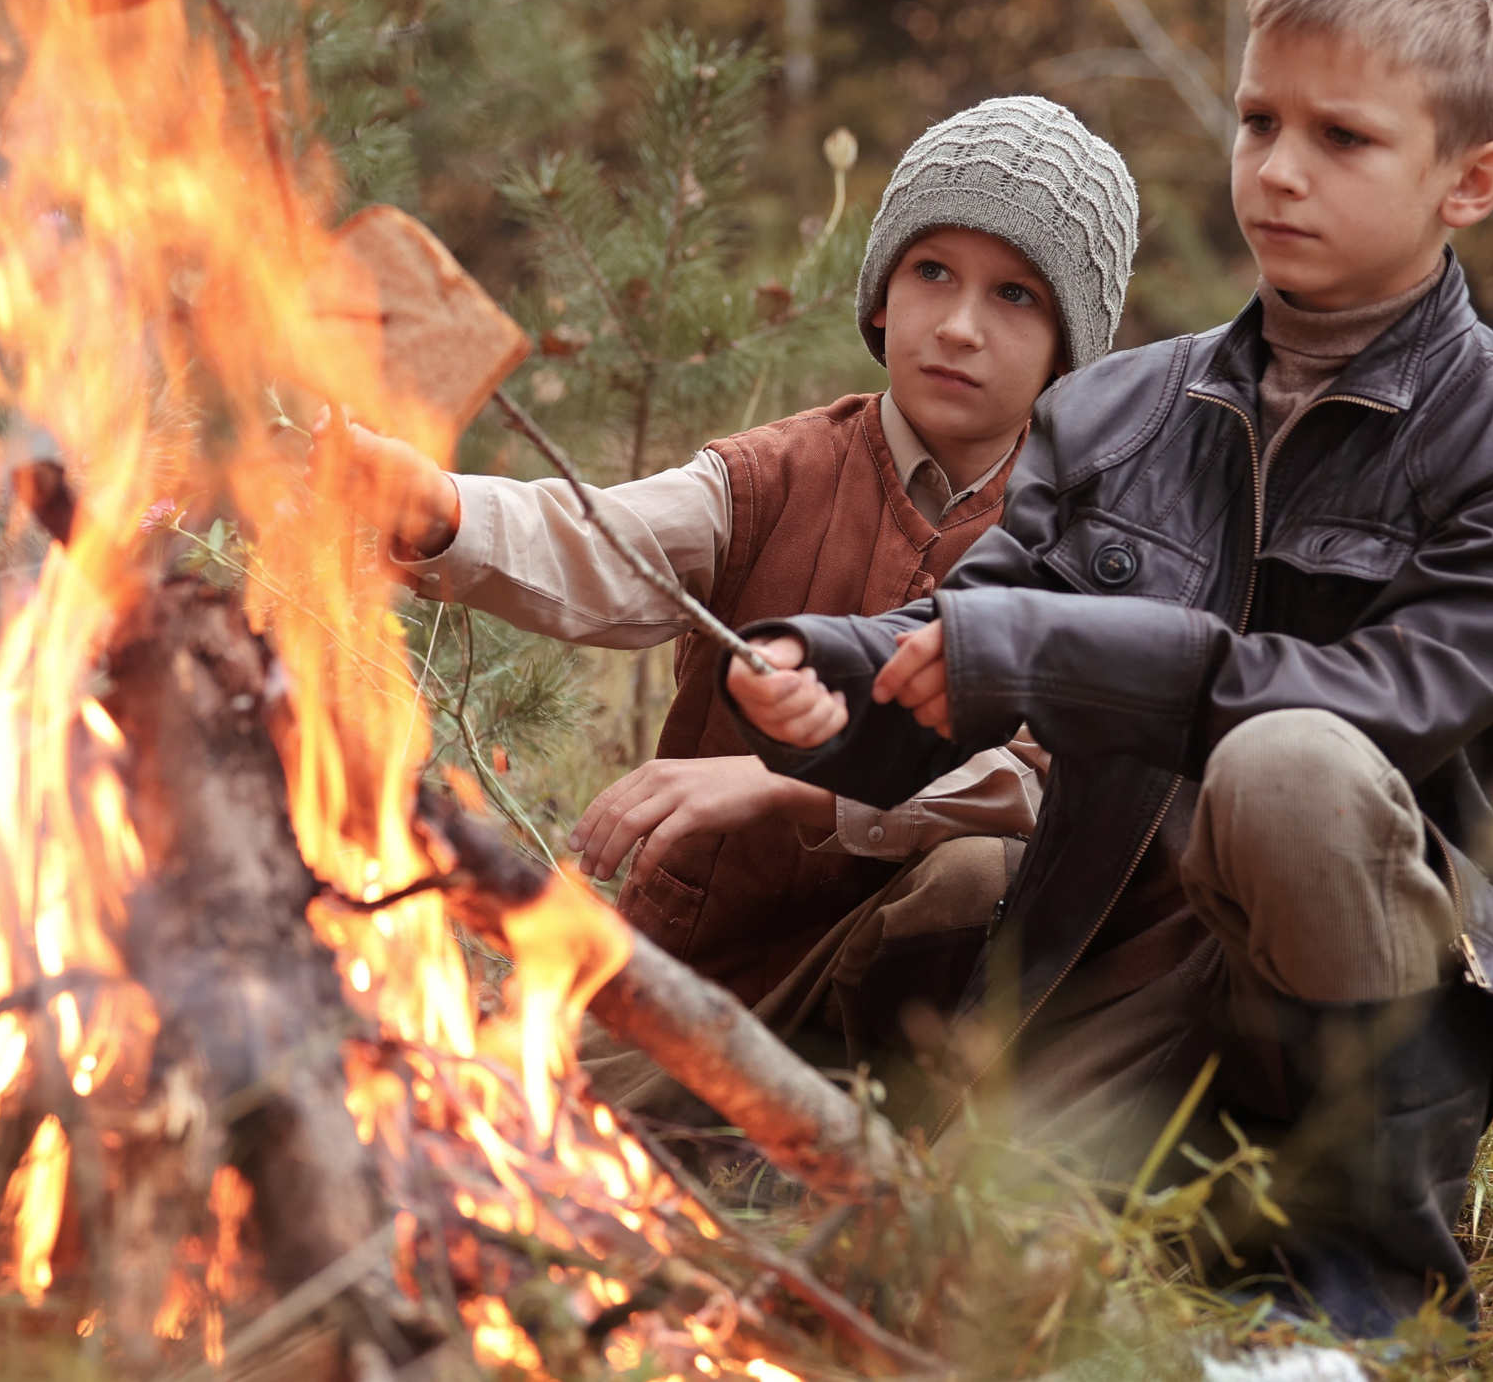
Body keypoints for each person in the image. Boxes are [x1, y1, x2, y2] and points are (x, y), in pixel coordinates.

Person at [718, 0, 1493, 1335]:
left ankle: (1364, 1282)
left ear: (1473, 181)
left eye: (1343, 137)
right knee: (926, 1300)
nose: (1279, 167)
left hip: (1354, 1000)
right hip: (1110, 971)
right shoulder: (1114, 408)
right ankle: (1156, 1241)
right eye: (1259, 119)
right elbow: (974, 629)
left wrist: (1049, 655)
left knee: (1291, 764)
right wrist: (825, 676)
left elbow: (1401, 695)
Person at [327, 96, 1140, 1117]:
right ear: (882, 294)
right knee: (517, 1129)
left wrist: (783, 785)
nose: (961, 325)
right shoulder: (770, 477)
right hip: (701, 984)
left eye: (1016, 296)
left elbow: (1036, 784)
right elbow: (599, 547)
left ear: (1068, 352)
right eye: (932, 271)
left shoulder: (1085, 547)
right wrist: (442, 511)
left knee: (981, 873)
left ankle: (886, 1171)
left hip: (902, 1005)